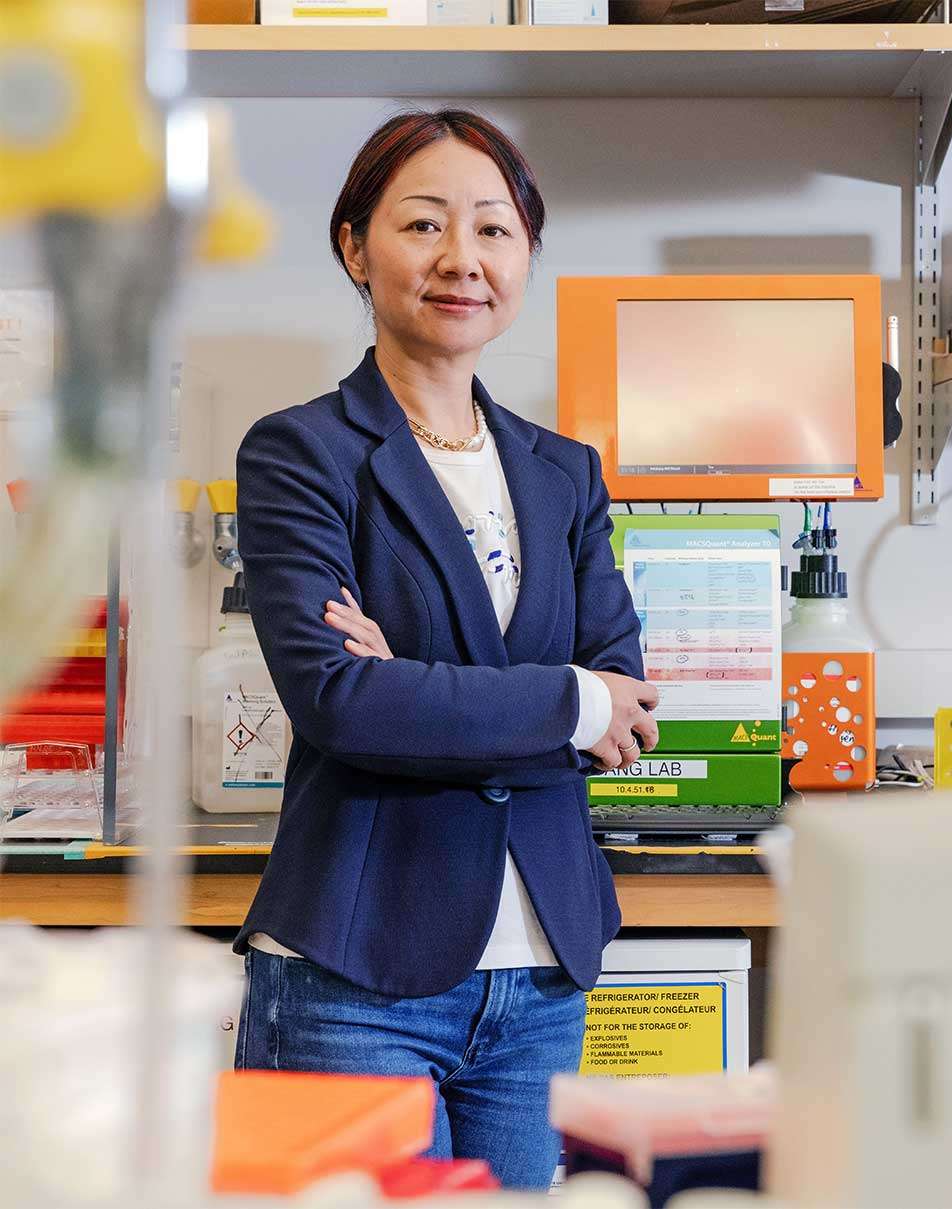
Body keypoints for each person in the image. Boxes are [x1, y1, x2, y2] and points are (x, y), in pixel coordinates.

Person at [233, 107, 659, 1191]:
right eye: (423, 225)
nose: (462, 260)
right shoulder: (303, 453)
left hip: (543, 978)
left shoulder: (565, 472)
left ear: (524, 256)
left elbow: (630, 707)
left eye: (495, 230)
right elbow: (342, 703)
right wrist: (565, 701)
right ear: (355, 249)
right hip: (355, 981)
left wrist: (422, 685)